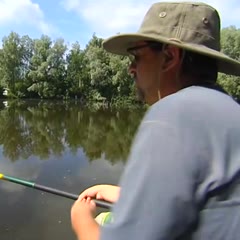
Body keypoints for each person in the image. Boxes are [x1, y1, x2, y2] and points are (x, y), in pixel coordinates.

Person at [71, 2, 240, 240]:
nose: (131, 69)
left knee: (100, 221)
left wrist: (81, 220)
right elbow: (213, 202)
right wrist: (127, 195)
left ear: (170, 56)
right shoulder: (229, 109)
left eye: (136, 56)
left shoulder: (174, 114)